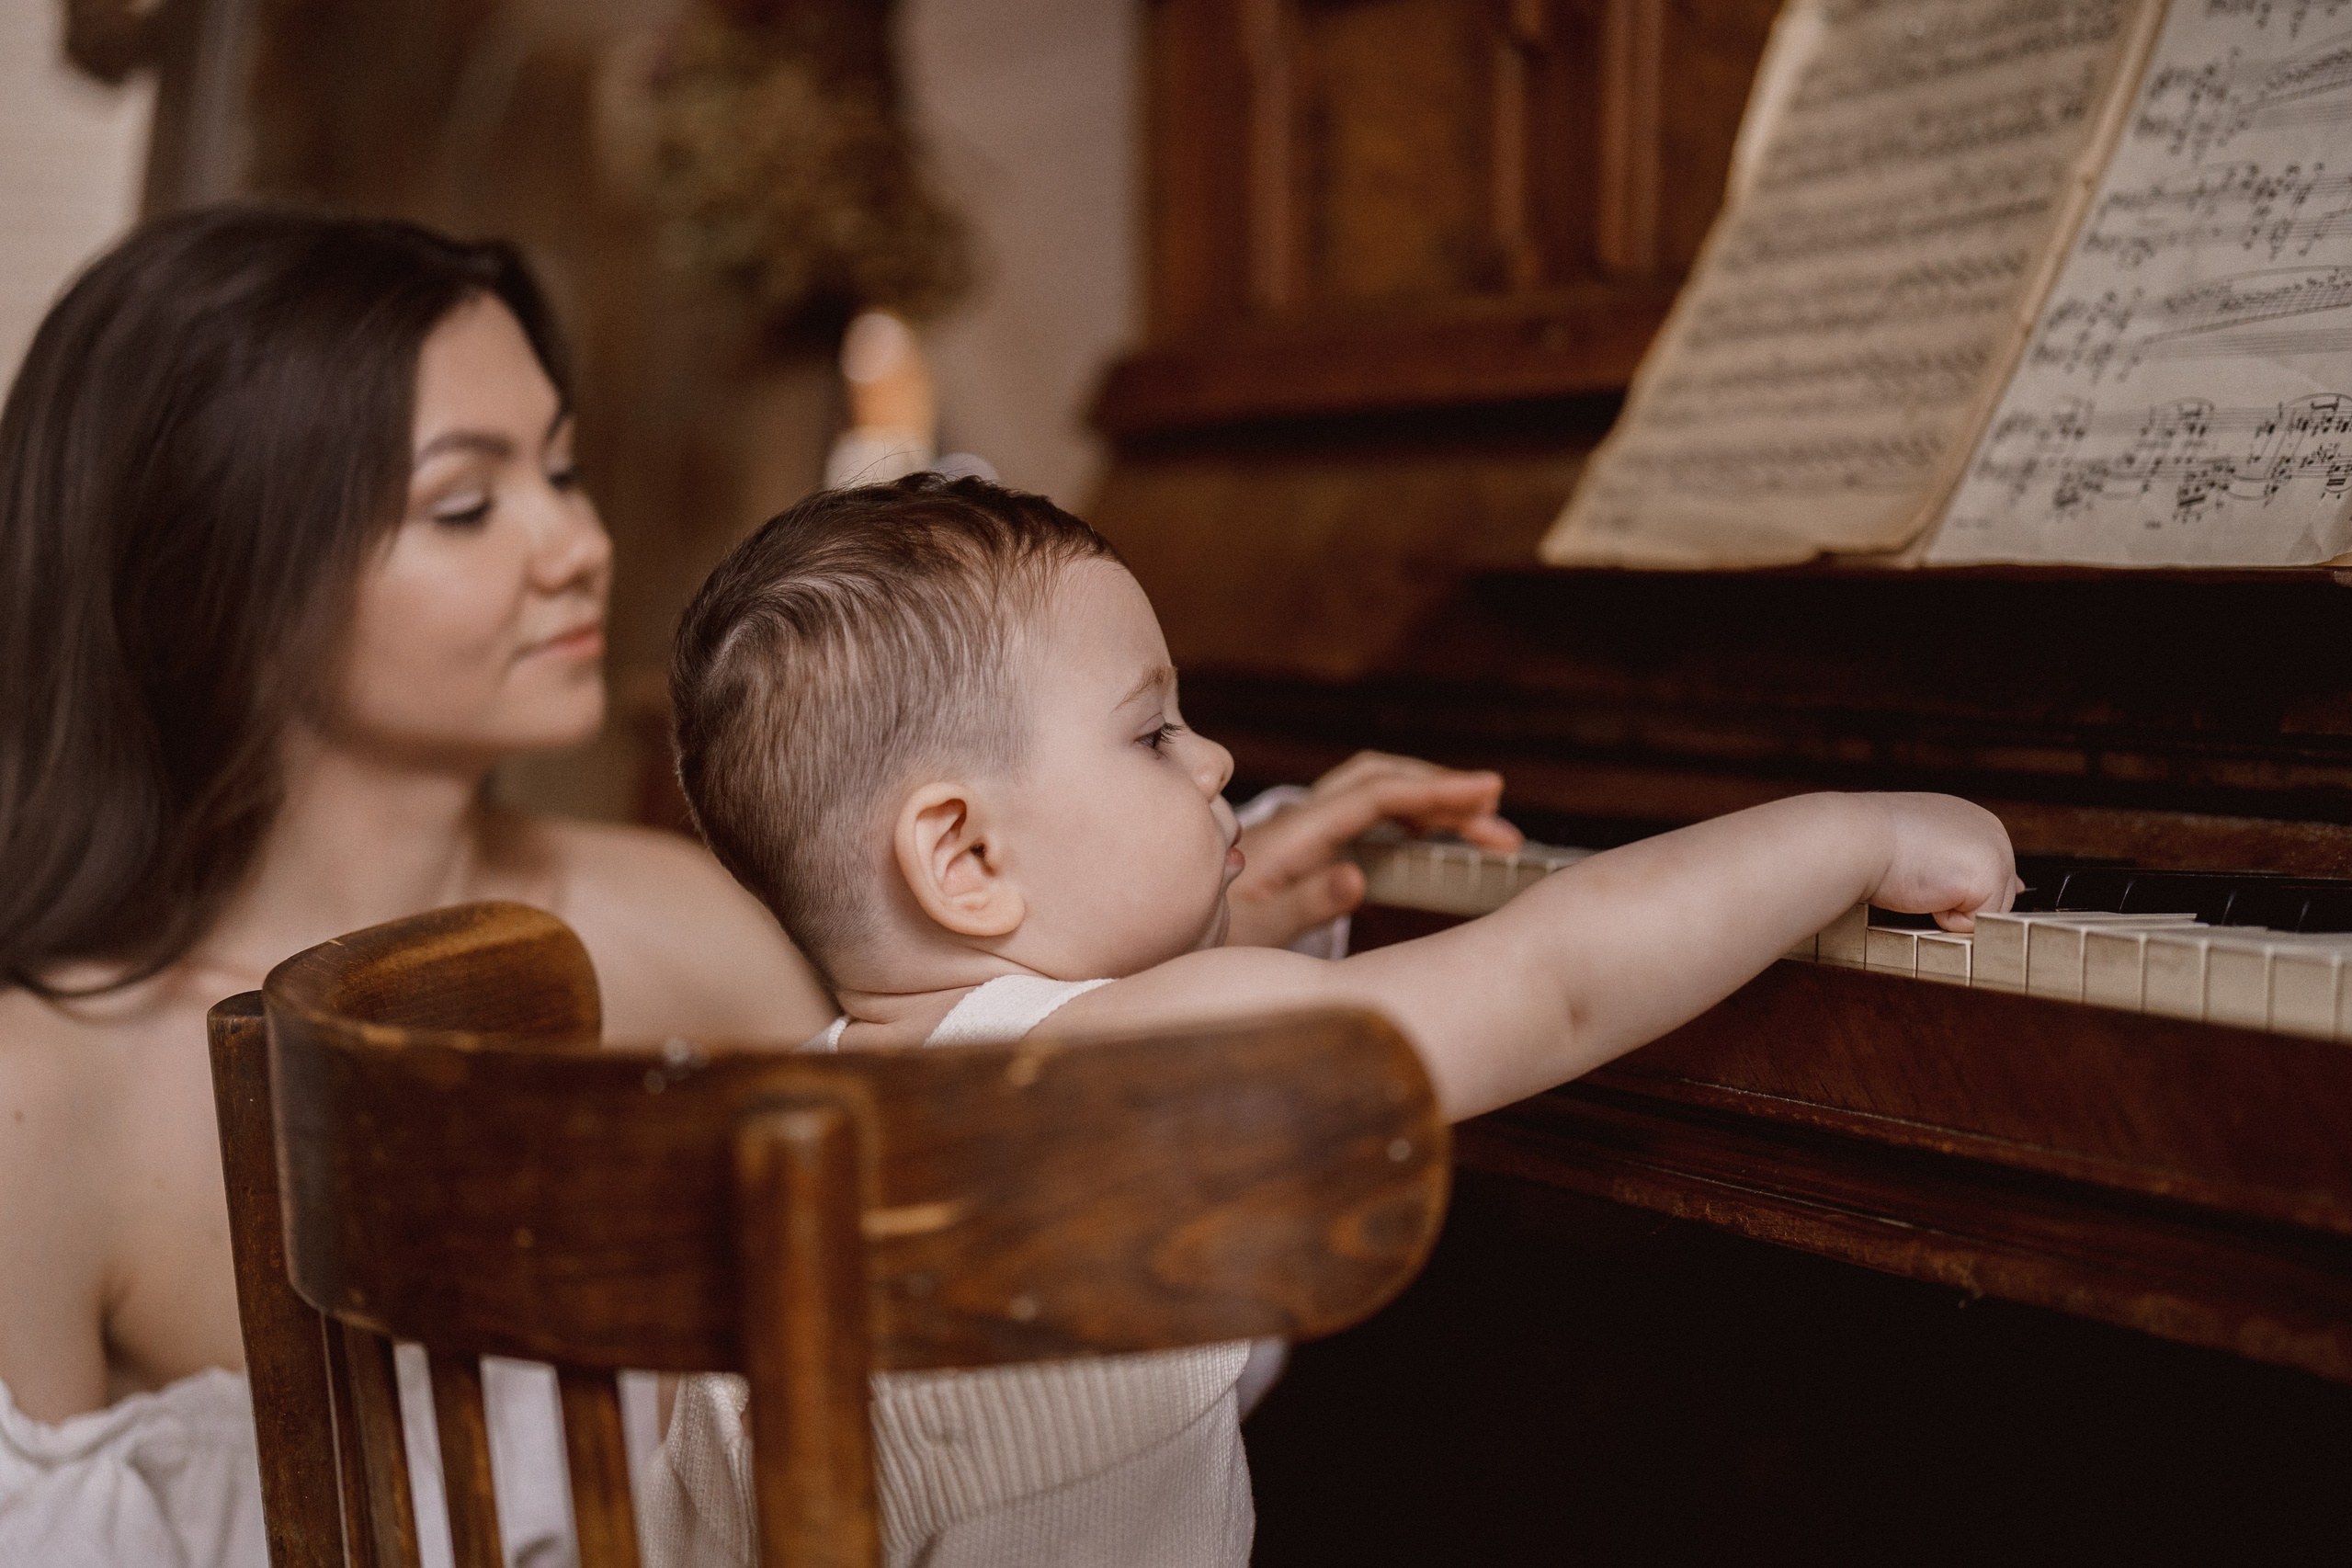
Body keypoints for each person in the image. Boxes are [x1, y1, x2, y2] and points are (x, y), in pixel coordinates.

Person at [0, 206, 1506, 1568]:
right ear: (215, 570)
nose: (581, 545)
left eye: (567, 472)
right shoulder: (41, 1089)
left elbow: (980, 1279)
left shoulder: (676, 919)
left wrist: (1206, 928)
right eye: (470, 505)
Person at [653, 473, 2020, 1568]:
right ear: (964, 859)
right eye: (1154, 733)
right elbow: (1556, 982)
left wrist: (1224, 915)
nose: (1220, 762)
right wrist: (1850, 833)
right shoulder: (1134, 1065)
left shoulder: (806, 1113)